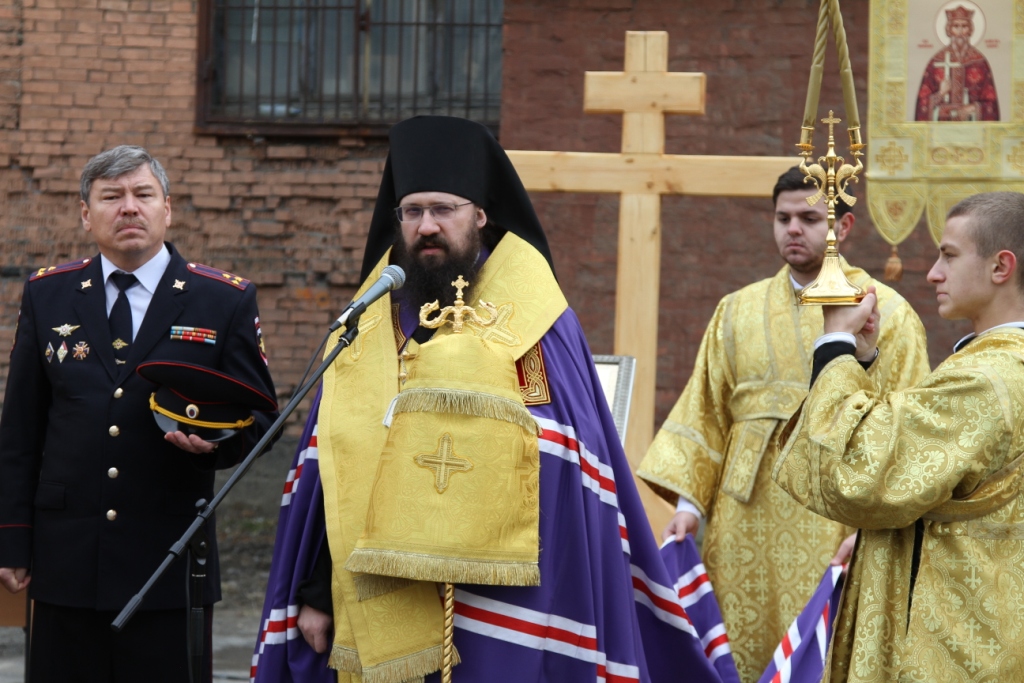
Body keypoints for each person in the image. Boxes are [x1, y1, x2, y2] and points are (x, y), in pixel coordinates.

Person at [250, 115, 728, 683]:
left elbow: (564, 462)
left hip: (508, 602)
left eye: (443, 210)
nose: (427, 226)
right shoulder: (372, 319)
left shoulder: (537, 318)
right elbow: (336, 466)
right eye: (412, 212)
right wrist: (316, 588)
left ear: (480, 214)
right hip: (379, 591)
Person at [636, 166, 931, 682]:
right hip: (742, 520)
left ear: (844, 227)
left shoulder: (888, 311)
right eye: (783, 218)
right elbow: (707, 409)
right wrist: (688, 508)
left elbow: (906, 429)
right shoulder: (736, 310)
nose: (793, 229)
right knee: (740, 653)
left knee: (821, 655)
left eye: (810, 219)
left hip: (833, 516)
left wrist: (871, 528)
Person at [0, 145, 278, 682]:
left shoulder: (223, 300)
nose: (129, 207)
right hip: (66, 562)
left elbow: (261, 418)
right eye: (111, 197)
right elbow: (20, 430)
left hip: (168, 562)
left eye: (142, 194)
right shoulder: (48, 294)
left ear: (166, 209)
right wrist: (12, 537)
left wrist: (215, 447)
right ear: (87, 215)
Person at [774, 192, 1024, 682]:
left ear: (1001, 266)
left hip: (951, 645)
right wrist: (863, 360)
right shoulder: (993, 366)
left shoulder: (989, 378)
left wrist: (834, 345)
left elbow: (857, 475)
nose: (932, 273)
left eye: (948, 256)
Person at [915, 5, 999, 122]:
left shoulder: (980, 62)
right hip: (942, 126)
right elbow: (922, 104)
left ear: (970, 29)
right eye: (956, 26)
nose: (960, 32)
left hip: (971, 125)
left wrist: (972, 108)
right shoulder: (936, 60)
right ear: (949, 29)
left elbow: (991, 103)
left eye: (964, 26)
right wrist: (940, 94)